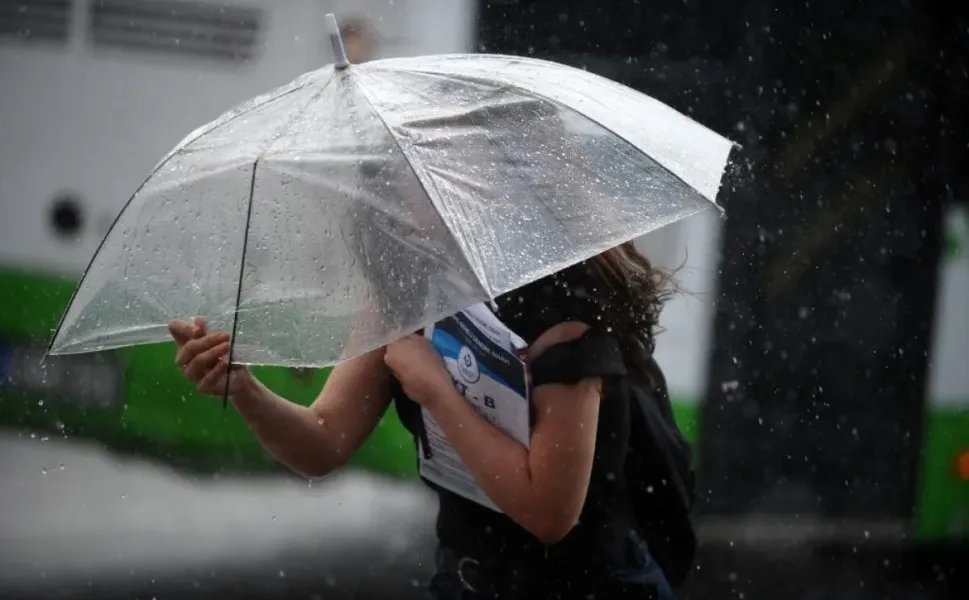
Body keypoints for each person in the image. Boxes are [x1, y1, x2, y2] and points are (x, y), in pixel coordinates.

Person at [169, 241, 681, 599]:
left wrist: (437, 390)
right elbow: (323, 442)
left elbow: (549, 513)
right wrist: (246, 390)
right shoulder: (405, 283)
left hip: (586, 587)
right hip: (468, 581)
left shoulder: (565, 299)